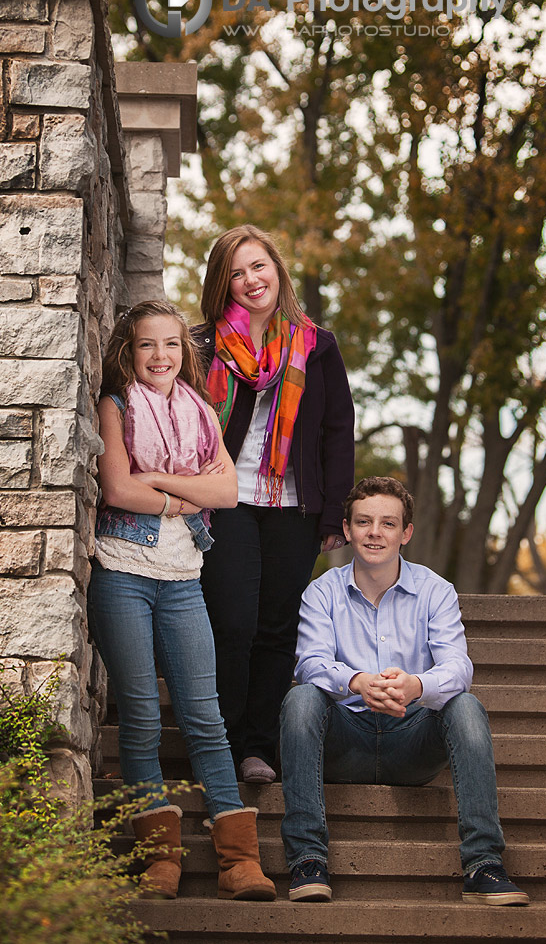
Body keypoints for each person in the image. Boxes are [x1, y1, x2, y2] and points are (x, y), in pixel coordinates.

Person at [87, 300, 276, 902]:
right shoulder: (114, 405)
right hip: (122, 573)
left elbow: (226, 488)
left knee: (206, 715)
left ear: (184, 353)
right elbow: (116, 486)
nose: (161, 356)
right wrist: (179, 501)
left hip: (183, 577)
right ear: (129, 352)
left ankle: (239, 859)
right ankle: (158, 859)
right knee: (141, 717)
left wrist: (161, 482)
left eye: (171, 344)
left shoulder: (200, 412)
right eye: (147, 345)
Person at [279, 475, 530, 906]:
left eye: (388, 523)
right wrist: (355, 681)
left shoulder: (436, 591)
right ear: (347, 529)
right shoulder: (321, 593)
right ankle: (307, 860)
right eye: (364, 522)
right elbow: (309, 663)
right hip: (345, 740)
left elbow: (457, 668)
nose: (375, 533)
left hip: (412, 744)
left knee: (466, 705)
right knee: (300, 698)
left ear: (405, 532)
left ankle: (483, 864)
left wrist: (416, 686)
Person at [195, 225, 355, 784]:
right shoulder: (202, 345)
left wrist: (334, 513)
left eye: (258, 266)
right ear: (223, 283)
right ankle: (219, 739)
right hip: (225, 498)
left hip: (295, 505)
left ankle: (258, 746)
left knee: (276, 626)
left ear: (277, 270)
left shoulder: (317, 345)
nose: (250, 280)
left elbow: (337, 432)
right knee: (233, 621)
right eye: (237, 273)